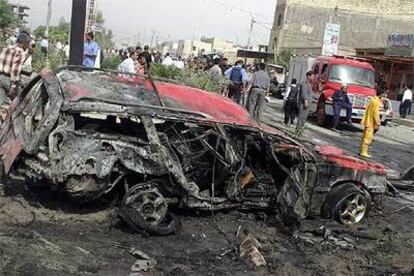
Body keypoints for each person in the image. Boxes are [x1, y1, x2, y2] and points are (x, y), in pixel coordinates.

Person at [0, 32, 32, 118]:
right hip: (10, 81)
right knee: (21, 101)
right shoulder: (20, 52)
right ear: (24, 42)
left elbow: (12, 63)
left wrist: (29, 53)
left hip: (1, 77)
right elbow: (15, 71)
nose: (28, 46)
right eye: (28, 44)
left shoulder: (6, 48)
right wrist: (12, 87)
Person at [360, 89, 383, 158]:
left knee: (364, 137)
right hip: (371, 122)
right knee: (368, 138)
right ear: (381, 95)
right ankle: (364, 152)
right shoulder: (376, 102)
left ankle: (362, 151)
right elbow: (375, 113)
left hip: (368, 121)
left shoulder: (372, 99)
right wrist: (378, 123)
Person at [295, 71, 314, 137]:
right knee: (301, 118)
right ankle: (297, 131)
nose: (313, 77)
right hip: (303, 104)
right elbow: (304, 94)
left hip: (307, 103)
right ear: (309, 76)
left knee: (304, 118)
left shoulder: (309, 84)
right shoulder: (304, 83)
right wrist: (306, 101)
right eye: (312, 76)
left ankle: (300, 131)